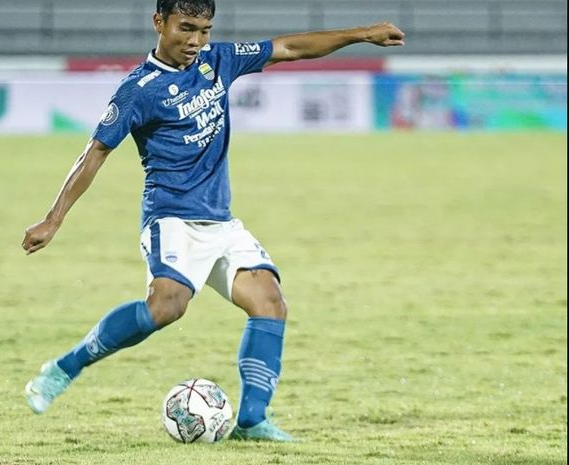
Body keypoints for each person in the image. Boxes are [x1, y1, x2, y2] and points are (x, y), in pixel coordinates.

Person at [22, 0, 404, 442]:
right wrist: (54, 219)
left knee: (270, 302)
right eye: (186, 28)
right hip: (172, 220)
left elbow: (289, 47)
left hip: (221, 222)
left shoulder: (217, 60)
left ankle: (252, 421)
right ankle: (62, 370)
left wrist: (360, 33)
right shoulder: (138, 90)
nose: (196, 41)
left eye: (204, 30)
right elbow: (96, 153)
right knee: (167, 305)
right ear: (159, 22)